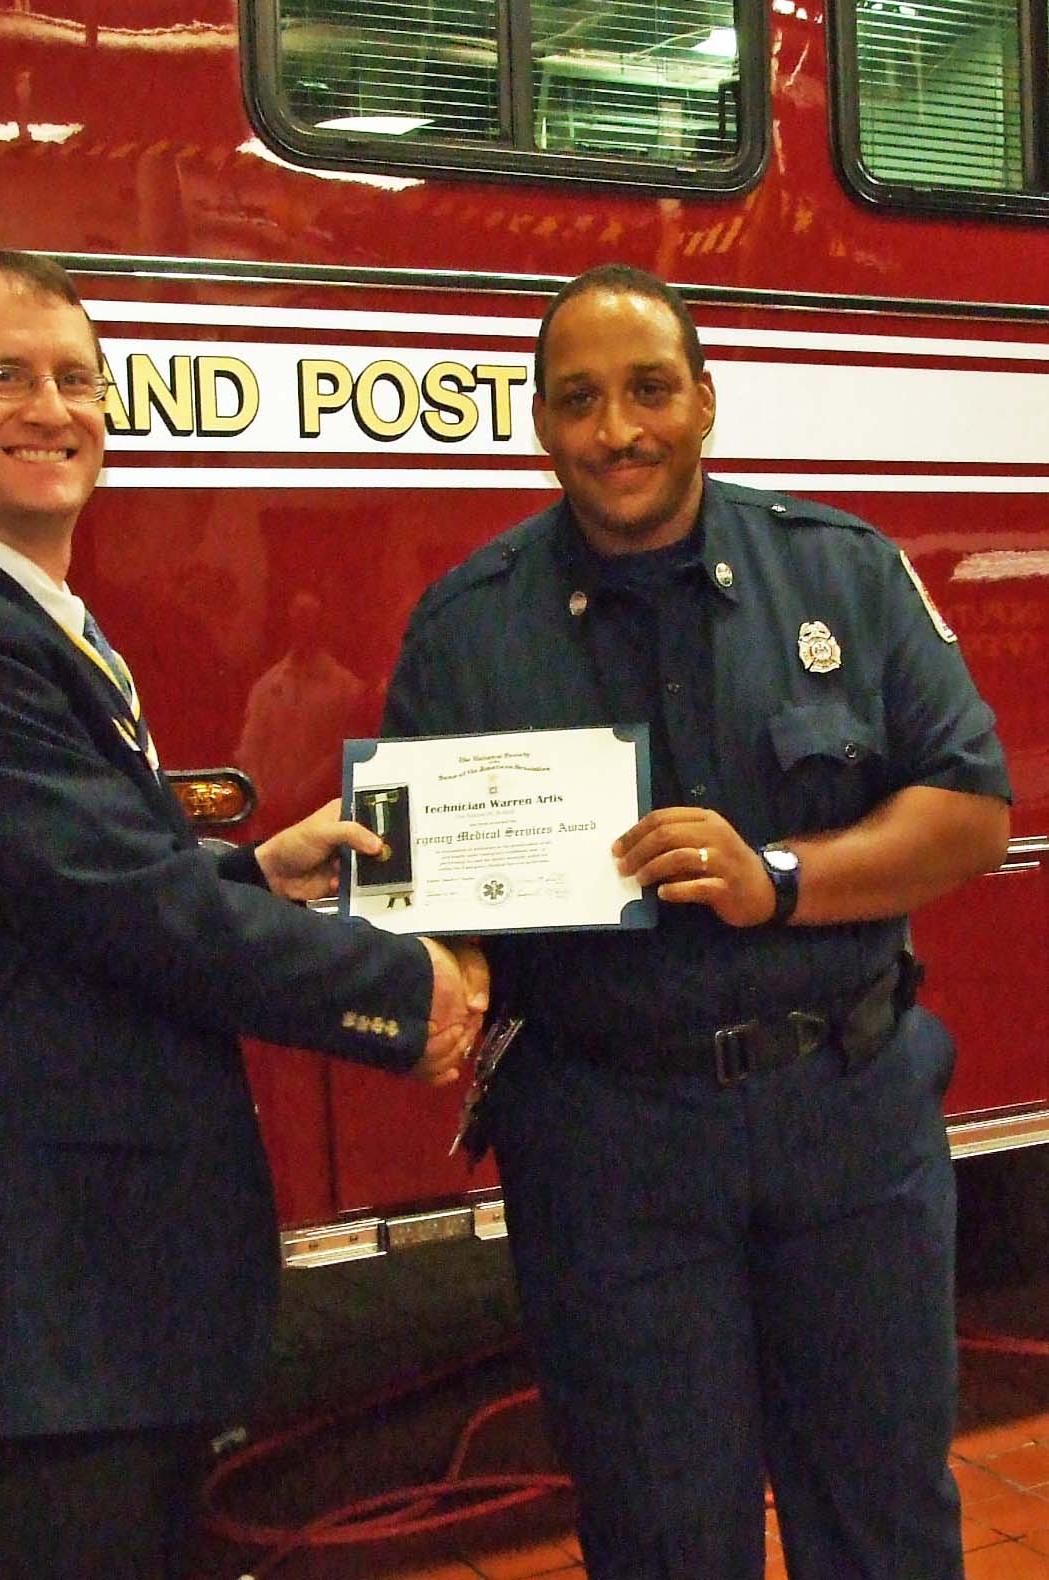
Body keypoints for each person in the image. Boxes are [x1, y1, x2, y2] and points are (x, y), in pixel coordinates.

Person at [0, 249, 487, 1580]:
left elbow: (67, 896)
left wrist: (259, 872)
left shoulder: (25, 616)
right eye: (2, 374)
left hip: (80, 1319)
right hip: (28, 1333)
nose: (51, 406)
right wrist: (403, 993)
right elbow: (128, 906)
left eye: (76, 377)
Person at [383, 263, 1010, 1580]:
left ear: (707, 401)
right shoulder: (463, 633)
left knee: (886, 1520)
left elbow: (969, 813)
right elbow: (429, 897)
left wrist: (774, 875)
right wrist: (423, 962)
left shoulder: (842, 573)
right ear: (542, 425)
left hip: (848, 1117)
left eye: (650, 390)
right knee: (661, 1536)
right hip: (609, 1145)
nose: (621, 429)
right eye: (583, 399)